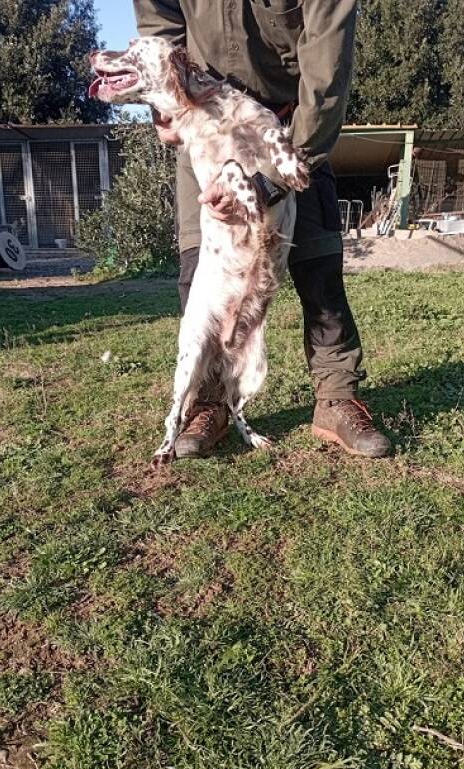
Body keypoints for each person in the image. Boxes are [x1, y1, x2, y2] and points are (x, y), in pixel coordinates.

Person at [134, 0, 392, 460]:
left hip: (288, 130)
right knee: (199, 275)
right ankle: (208, 403)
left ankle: (336, 397)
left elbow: (327, 64)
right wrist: (165, 102)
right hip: (206, 128)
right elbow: (160, 27)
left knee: (319, 269)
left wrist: (277, 175)